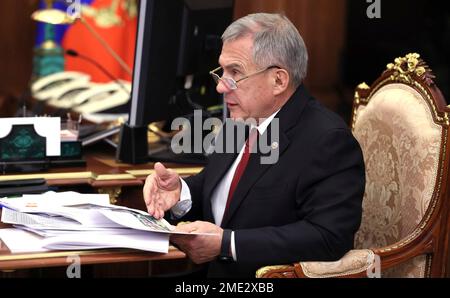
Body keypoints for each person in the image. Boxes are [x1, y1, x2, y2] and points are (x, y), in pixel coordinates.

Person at [143, 13, 365, 278]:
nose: (221, 87)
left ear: (279, 81)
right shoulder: (241, 120)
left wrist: (227, 244)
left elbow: (328, 238)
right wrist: (181, 192)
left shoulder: (328, 140)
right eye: (221, 72)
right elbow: (219, 188)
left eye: (235, 73)